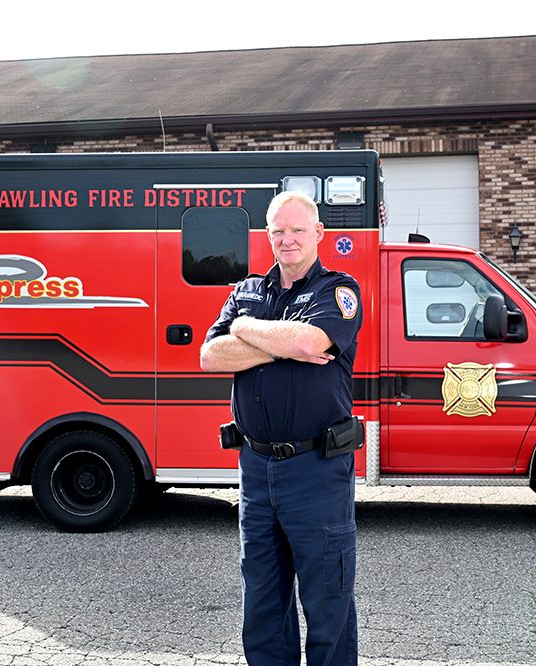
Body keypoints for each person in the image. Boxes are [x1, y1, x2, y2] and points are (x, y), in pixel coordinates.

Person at [200, 191, 362, 666]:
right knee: (263, 601)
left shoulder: (338, 289)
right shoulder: (248, 292)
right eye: (278, 231)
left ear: (318, 234)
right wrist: (277, 338)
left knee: (327, 598)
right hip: (255, 466)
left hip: (316, 468)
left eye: (297, 230)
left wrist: (246, 330)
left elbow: (311, 339)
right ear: (267, 236)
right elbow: (210, 356)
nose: (287, 239)